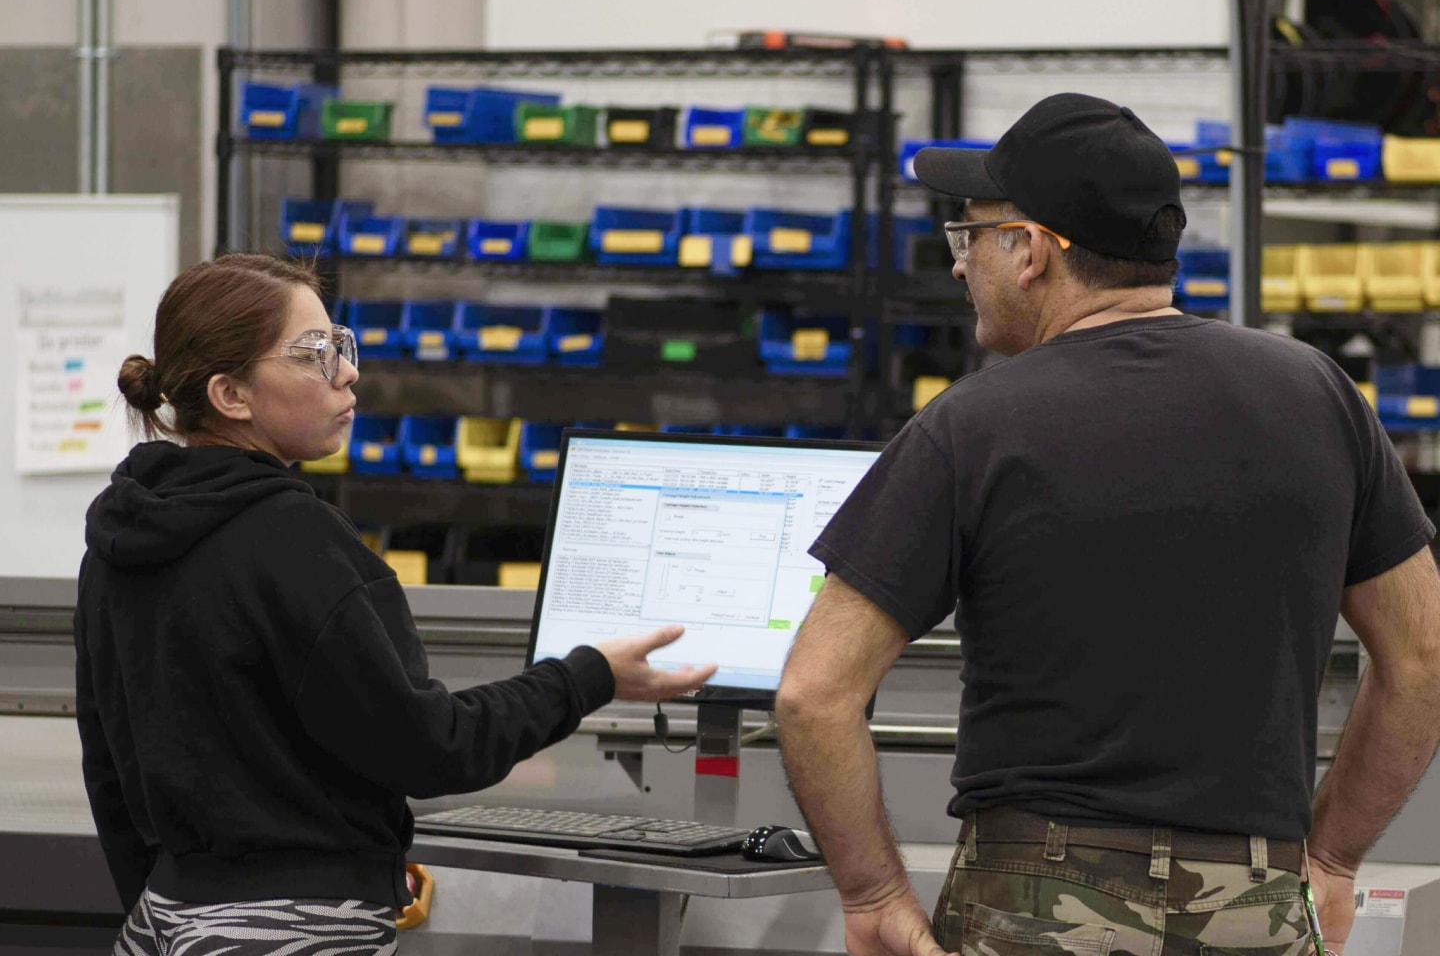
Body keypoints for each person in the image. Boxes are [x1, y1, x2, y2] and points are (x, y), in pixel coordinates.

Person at [775, 93, 1440, 956]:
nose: (956, 268)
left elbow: (813, 694)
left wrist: (871, 893)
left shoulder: (972, 425)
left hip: (1039, 906)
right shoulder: (1317, 396)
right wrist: (1334, 857)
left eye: (968, 238)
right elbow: (1424, 655)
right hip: (1256, 904)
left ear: (1031, 252)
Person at [75, 253, 715, 956]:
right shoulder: (293, 540)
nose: (347, 372)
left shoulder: (121, 534)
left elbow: (108, 762)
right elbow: (431, 748)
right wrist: (589, 675)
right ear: (232, 395)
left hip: (162, 919)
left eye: (340, 344)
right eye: (314, 354)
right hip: (295, 929)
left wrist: (171, 905)